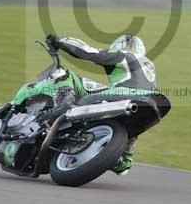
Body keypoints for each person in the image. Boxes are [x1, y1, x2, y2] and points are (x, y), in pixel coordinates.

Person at [46, 33, 157, 175]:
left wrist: (59, 40)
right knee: (132, 130)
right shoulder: (149, 65)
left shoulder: (123, 55)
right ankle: (124, 159)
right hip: (148, 102)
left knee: (69, 76)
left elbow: (87, 52)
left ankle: (63, 108)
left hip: (125, 94)